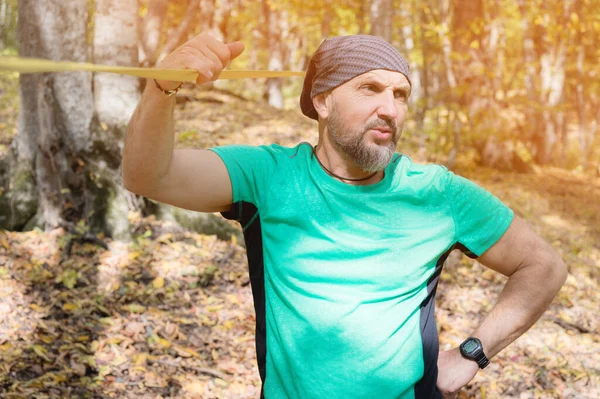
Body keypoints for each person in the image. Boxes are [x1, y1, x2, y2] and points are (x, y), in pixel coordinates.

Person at [122, 33, 567, 399]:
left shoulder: (437, 193)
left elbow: (543, 266)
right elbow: (149, 176)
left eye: (400, 94)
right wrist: (162, 89)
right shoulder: (268, 176)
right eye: (369, 88)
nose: (390, 109)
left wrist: (473, 353)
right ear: (322, 101)